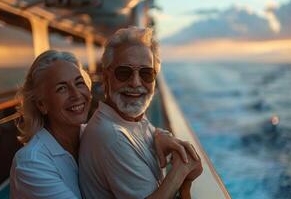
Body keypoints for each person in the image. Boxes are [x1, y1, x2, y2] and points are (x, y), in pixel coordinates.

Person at [10, 50, 196, 199]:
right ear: (42, 104)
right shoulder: (32, 163)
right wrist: (178, 172)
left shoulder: (87, 134)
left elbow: (141, 128)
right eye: (62, 88)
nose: (76, 95)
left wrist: (160, 136)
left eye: (79, 83)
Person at [79, 26, 203, 199]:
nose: (136, 83)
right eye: (124, 72)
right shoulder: (112, 136)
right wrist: (180, 171)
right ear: (106, 77)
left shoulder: (133, 119)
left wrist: (162, 135)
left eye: (146, 73)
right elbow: (189, 168)